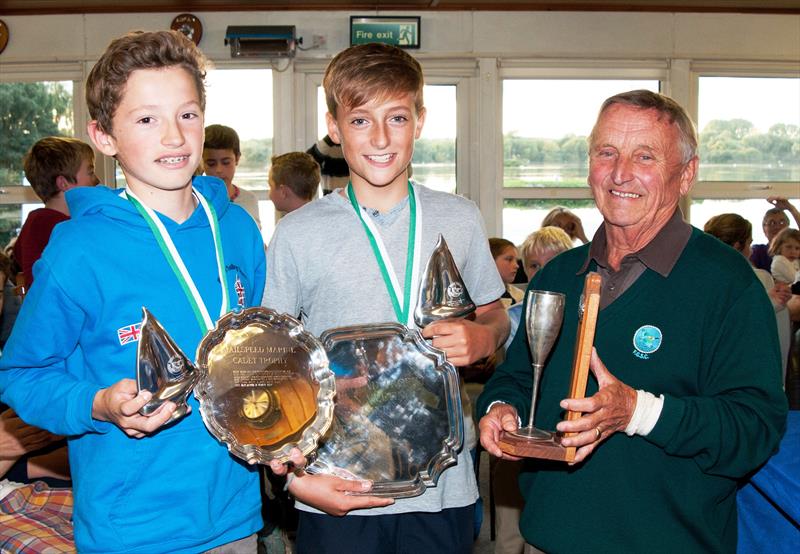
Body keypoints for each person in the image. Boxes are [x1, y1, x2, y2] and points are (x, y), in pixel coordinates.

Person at [477, 90, 787, 553]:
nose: (621, 173)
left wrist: (639, 412)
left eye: (645, 156)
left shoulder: (728, 284)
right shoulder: (562, 272)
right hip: (546, 540)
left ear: (687, 174)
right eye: (607, 153)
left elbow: (754, 430)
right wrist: (499, 408)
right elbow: (517, 376)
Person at [0, 30, 266, 553]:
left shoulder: (237, 228)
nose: (174, 137)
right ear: (103, 137)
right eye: (147, 119)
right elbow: (23, 373)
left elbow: (256, 352)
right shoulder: (77, 248)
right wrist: (97, 403)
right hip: (131, 527)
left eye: (187, 115)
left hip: (234, 514)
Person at [263, 42, 509, 554]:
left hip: (443, 486)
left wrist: (484, 334)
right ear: (333, 127)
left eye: (396, 117)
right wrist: (295, 473)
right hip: (338, 485)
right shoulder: (298, 233)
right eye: (359, 120)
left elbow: (495, 311)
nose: (379, 138)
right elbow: (273, 365)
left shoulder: (459, 217)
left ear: (420, 120)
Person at [704, 213, 792, 382]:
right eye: (749, 243)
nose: (751, 250)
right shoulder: (757, 279)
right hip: (749, 375)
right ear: (738, 245)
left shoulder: (695, 277)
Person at [13, 136, 99, 291]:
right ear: (63, 183)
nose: (96, 180)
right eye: (90, 172)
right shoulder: (49, 224)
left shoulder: (37, 221)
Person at [203, 123, 262, 226]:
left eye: (226, 162)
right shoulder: (195, 201)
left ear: (237, 159)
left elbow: (256, 239)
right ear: (201, 161)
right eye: (211, 164)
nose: (219, 170)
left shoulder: (249, 199)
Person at [750, 197, 800, 271]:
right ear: (764, 228)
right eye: (772, 223)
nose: (777, 227)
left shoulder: (796, 249)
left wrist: (791, 209)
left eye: (782, 222)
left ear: (788, 226)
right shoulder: (758, 251)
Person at [490, 237, 524, 307]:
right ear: (490, 261)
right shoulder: (474, 296)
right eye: (509, 259)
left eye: (516, 260)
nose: (517, 266)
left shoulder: (520, 295)